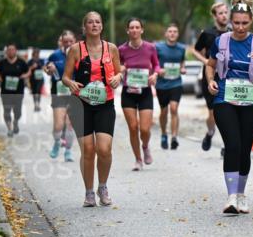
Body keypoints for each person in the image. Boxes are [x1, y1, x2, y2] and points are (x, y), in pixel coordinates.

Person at [205, 0, 253, 214]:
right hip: (225, 99)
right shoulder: (221, 41)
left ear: (251, 21)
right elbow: (210, 65)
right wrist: (210, 80)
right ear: (231, 20)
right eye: (236, 23)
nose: (240, 27)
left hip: (250, 102)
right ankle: (231, 197)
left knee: (245, 149)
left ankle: (241, 194)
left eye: (244, 23)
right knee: (233, 145)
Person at [63, 11, 123, 207]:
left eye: (97, 22)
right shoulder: (75, 50)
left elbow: (119, 72)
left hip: (105, 104)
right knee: (88, 150)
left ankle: (102, 187)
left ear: (102, 26)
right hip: (80, 105)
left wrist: (118, 78)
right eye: (90, 22)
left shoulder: (111, 48)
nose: (94, 25)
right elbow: (65, 77)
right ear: (85, 27)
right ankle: (89, 192)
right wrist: (70, 83)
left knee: (104, 149)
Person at [118, 18, 161, 171]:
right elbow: (117, 66)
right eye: (132, 27)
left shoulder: (150, 47)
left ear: (142, 30)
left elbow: (156, 64)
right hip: (128, 92)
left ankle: (145, 146)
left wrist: (155, 74)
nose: (134, 30)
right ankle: (138, 159)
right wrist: (121, 69)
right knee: (133, 127)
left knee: (144, 129)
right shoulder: (121, 49)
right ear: (127, 30)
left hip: (145, 91)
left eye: (137, 27)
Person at [191, 0, 230, 153]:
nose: (224, 16)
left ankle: (226, 144)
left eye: (226, 12)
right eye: (221, 13)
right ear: (215, 16)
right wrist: (206, 61)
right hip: (211, 77)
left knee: (228, 112)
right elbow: (195, 50)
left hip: (228, 77)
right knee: (213, 114)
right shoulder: (207, 33)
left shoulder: (233, 32)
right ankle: (210, 132)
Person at [44, 30, 77, 162]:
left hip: (74, 93)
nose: (68, 43)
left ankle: (68, 151)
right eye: (65, 41)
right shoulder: (55, 55)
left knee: (70, 124)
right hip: (59, 93)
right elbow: (46, 69)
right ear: (61, 42)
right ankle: (57, 142)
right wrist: (49, 70)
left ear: (74, 41)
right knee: (58, 125)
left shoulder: (80, 55)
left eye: (70, 41)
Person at [155, 23, 187, 150]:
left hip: (176, 83)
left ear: (178, 34)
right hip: (162, 84)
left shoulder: (182, 48)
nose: (172, 33)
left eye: (175, 31)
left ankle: (174, 137)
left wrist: (183, 68)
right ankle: (164, 134)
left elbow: (182, 61)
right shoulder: (158, 47)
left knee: (174, 108)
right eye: (170, 31)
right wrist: (158, 70)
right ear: (166, 34)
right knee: (164, 111)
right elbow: (153, 63)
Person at [0, 43, 29, 137]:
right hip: (5, 91)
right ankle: (9, 129)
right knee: (7, 111)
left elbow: (28, 72)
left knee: (18, 112)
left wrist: (24, 76)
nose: (11, 51)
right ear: (6, 52)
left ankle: (15, 121)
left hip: (18, 91)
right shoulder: (2, 63)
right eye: (9, 50)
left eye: (12, 49)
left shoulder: (21, 62)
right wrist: (0, 79)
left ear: (16, 51)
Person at [27, 47, 45, 112]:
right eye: (36, 53)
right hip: (33, 78)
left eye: (38, 53)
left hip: (40, 78)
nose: (37, 54)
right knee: (34, 91)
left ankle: (38, 104)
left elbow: (44, 67)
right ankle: (35, 104)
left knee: (38, 91)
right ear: (33, 53)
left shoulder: (41, 60)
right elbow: (27, 69)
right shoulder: (30, 61)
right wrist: (32, 67)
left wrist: (44, 68)